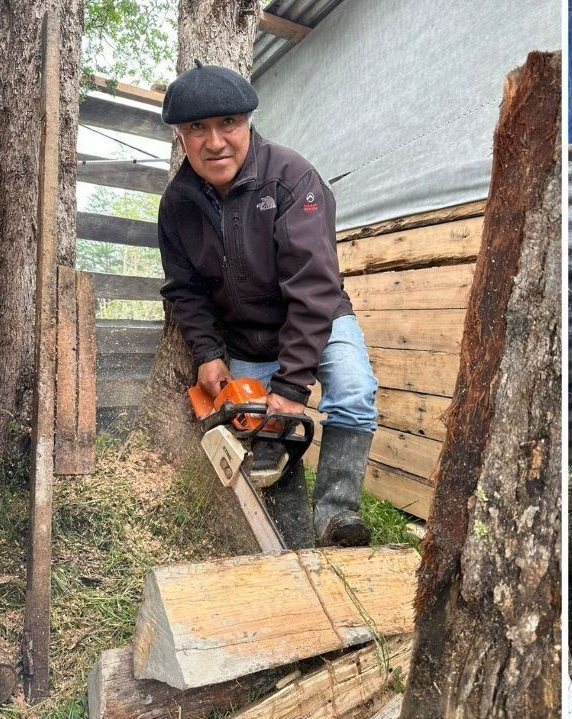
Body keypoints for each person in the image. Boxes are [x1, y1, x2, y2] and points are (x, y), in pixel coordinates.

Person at [156, 61, 376, 548]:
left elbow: (314, 284)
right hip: (246, 333)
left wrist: (293, 384)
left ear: (248, 123)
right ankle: (292, 537)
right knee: (260, 426)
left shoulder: (292, 178)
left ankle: (338, 516)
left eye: (228, 124)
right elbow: (185, 290)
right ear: (180, 137)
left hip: (318, 314)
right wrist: (208, 353)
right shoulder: (176, 206)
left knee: (355, 392)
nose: (215, 142)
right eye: (197, 129)